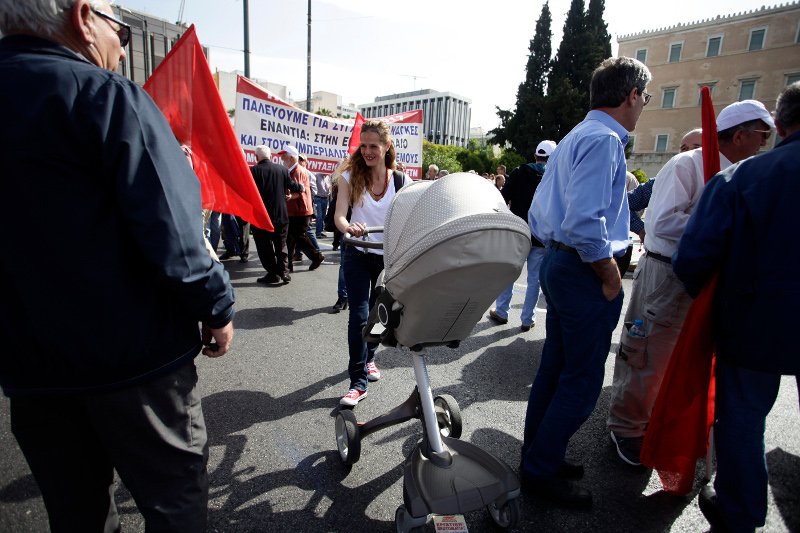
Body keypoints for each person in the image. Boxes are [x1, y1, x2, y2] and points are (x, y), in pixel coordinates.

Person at [0, 1, 235, 530]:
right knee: (173, 502)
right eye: (120, 28)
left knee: (76, 513)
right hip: (135, 363)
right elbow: (174, 233)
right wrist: (216, 308)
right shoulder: (106, 96)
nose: (124, 45)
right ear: (84, 17)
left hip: (30, 367)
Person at [606, 99, 775, 467]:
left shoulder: (740, 171)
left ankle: (654, 424)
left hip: (706, 280)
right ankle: (627, 428)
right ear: (741, 134)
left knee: (682, 361)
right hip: (669, 275)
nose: (766, 142)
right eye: (763, 134)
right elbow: (662, 222)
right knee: (648, 355)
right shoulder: (688, 165)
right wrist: (722, 229)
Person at [521, 56, 651, 509]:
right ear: (631, 95)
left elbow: (545, 213)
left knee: (556, 371)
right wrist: (610, 273)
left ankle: (539, 457)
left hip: (563, 264)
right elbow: (585, 221)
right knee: (580, 381)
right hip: (582, 269)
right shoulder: (603, 141)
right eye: (645, 98)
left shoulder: (579, 135)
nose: (643, 106)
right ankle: (540, 469)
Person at [673, 82, 800, 533]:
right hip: (756, 321)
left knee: (743, 420)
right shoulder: (727, 173)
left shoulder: (744, 178)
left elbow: (694, 257)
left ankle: (740, 511)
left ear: (781, 125)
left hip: (753, 324)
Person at [333, 119, 412, 406]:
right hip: (356, 253)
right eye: (363, 145)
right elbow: (340, 215)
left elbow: (408, 220)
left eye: (373, 146)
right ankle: (358, 382)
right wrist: (347, 228)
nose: (367, 151)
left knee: (380, 317)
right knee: (358, 317)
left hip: (387, 258)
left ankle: (370, 357)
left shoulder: (402, 181)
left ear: (387, 146)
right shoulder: (349, 176)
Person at [487, 140, 556, 332]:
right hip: (541, 236)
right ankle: (527, 318)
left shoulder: (518, 172)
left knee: (510, 272)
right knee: (535, 279)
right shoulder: (554, 176)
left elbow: (502, 198)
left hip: (518, 232)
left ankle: (502, 311)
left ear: (535, 156)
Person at [250, 145, 303, 284]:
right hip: (280, 215)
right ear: (271, 156)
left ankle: (273, 273)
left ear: (256, 157)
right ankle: (284, 272)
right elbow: (294, 186)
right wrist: (301, 187)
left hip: (261, 217)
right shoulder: (282, 170)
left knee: (264, 246)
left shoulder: (253, 171)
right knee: (281, 244)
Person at [281, 145, 325, 272]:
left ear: (291, 157)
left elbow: (301, 190)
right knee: (291, 238)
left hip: (300, 210)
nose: (282, 157)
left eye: (285, 155)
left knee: (298, 236)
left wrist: (290, 196)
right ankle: (289, 264)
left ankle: (316, 256)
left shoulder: (298, 171)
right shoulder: (291, 170)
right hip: (295, 210)